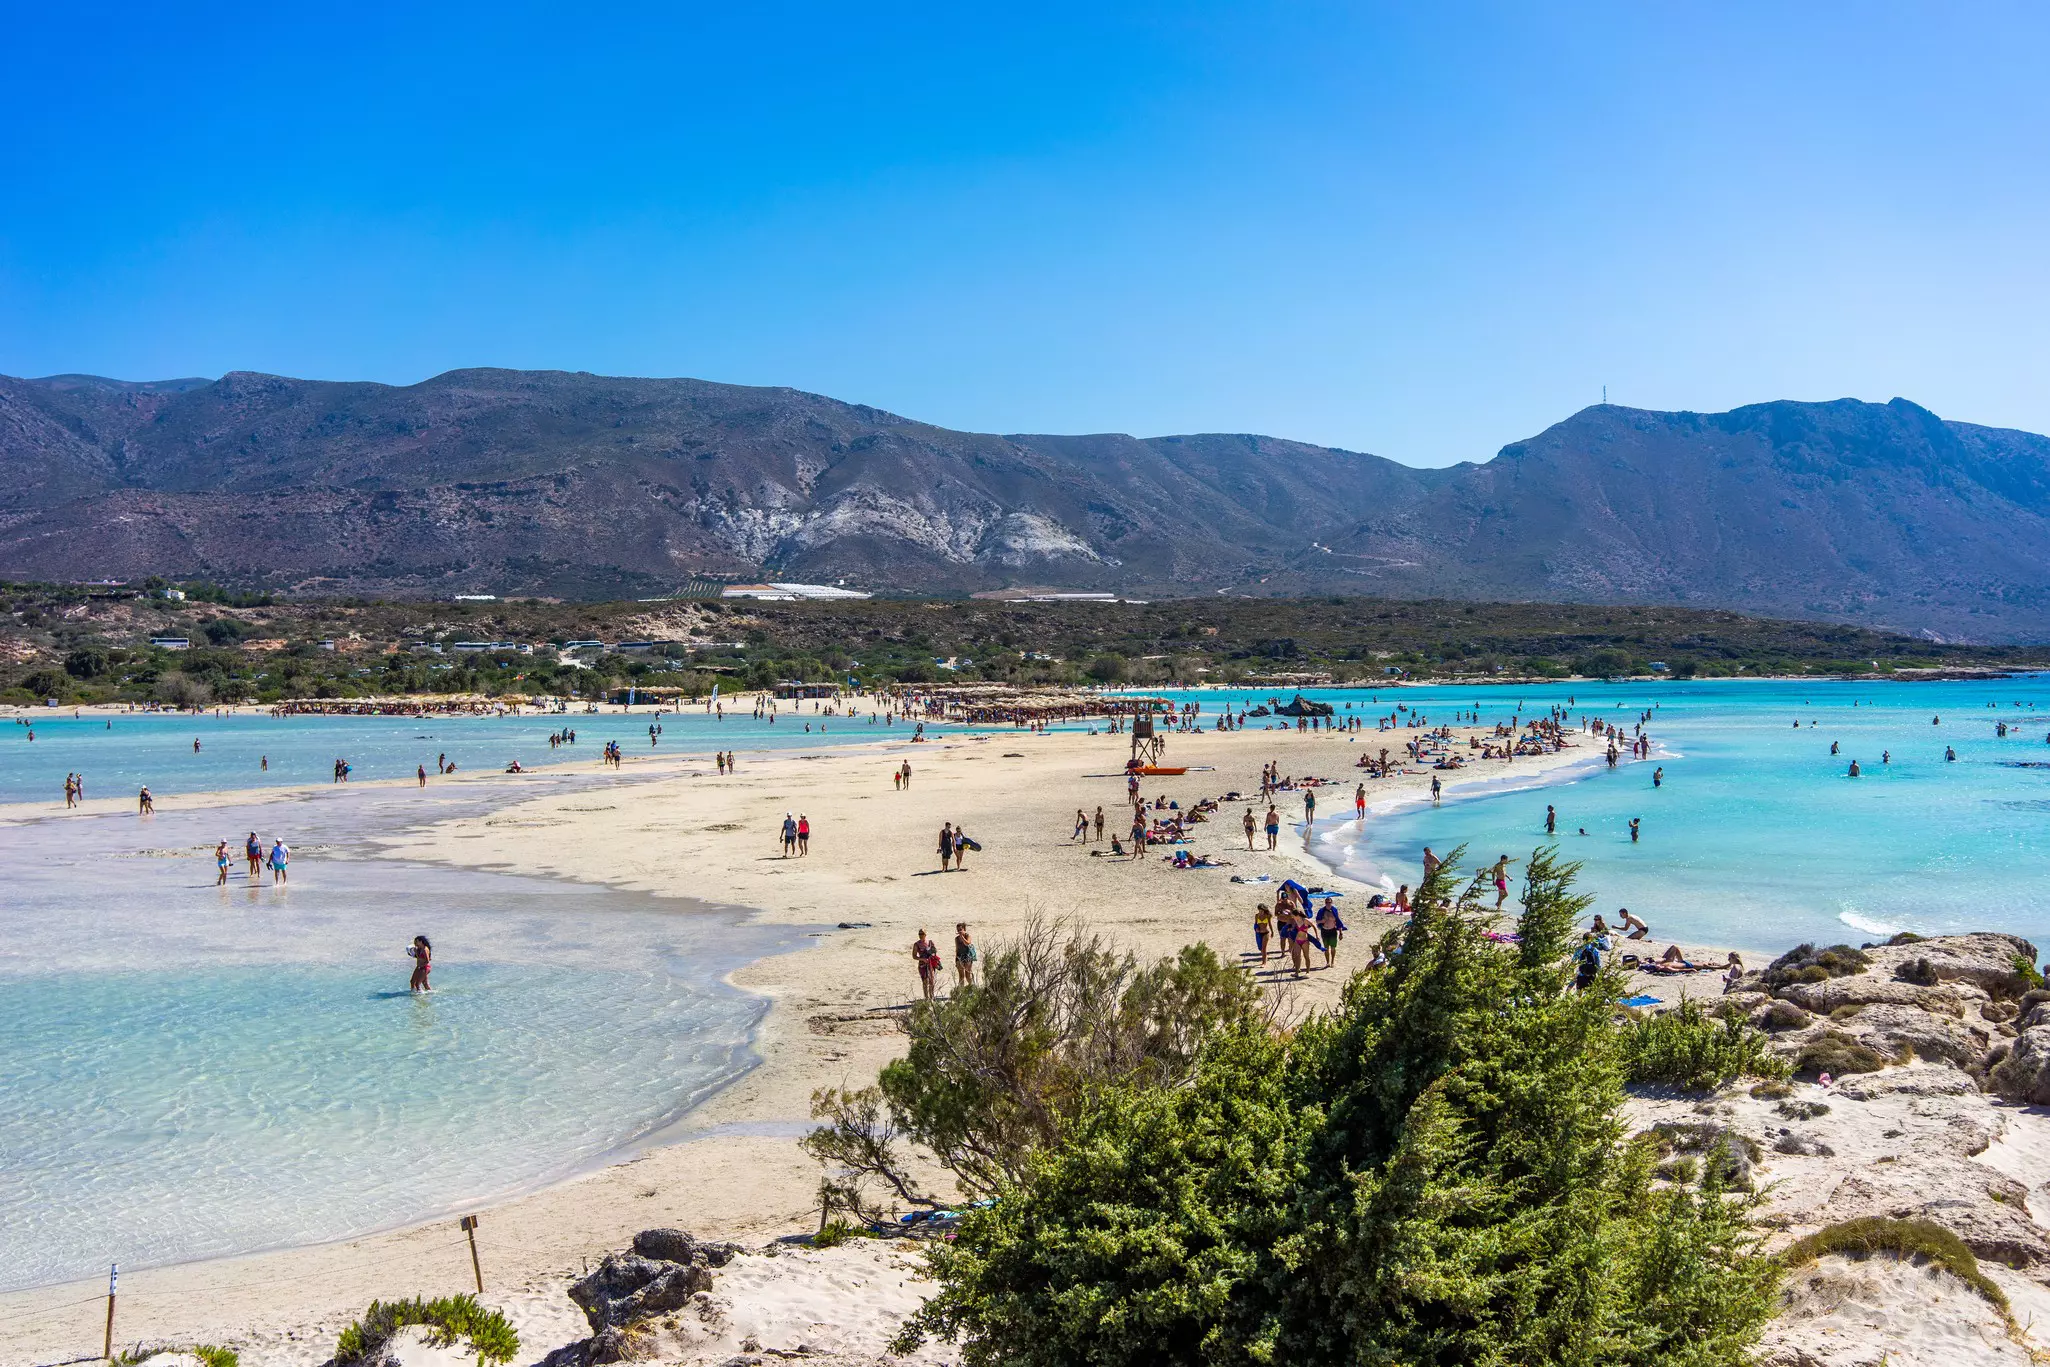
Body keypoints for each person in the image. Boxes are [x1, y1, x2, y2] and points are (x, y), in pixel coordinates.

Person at [1315, 897, 1346, 967]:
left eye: (1329, 902)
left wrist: (1341, 933)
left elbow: (1338, 922)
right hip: (1324, 931)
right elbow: (1317, 921)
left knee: (1333, 948)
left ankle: (1332, 962)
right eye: (1327, 903)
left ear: (1331, 903)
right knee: (1326, 948)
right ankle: (1327, 962)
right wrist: (1322, 921)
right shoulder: (1321, 911)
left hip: (1332, 931)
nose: (1328, 904)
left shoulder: (1334, 910)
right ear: (1325, 903)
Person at [913, 928, 941, 1000]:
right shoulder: (916, 944)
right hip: (922, 965)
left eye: (922, 934)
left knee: (931, 980)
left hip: (930, 964)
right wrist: (922, 959)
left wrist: (932, 955)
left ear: (925, 934)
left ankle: (932, 997)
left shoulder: (930, 942)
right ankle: (926, 998)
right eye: (919, 934)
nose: (920, 935)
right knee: (925, 981)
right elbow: (914, 956)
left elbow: (935, 952)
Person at [954, 922, 977, 987]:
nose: (959, 931)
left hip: (967, 957)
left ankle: (972, 988)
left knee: (968, 975)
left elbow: (967, 943)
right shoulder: (956, 939)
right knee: (961, 976)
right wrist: (956, 960)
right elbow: (957, 949)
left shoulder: (967, 936)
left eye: (960, 929)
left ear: (964, 929)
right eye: (958, 930)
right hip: (959, 957)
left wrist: (962, 937)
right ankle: (961, 992)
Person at [1253, 902, 1274, 966]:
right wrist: (1256, 928)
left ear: (1264, 910)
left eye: (1262, 910)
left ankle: (1264, 962)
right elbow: (1255, 924)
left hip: (1266, 933)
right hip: (1258, 934)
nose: (1260, 911)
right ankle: (1265, 958)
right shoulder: (1256, 915)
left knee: (1263, 948)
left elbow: (1270, 924)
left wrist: (1272, 932)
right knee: (1260, 948)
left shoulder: (1267, 915)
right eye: (1259, 910)